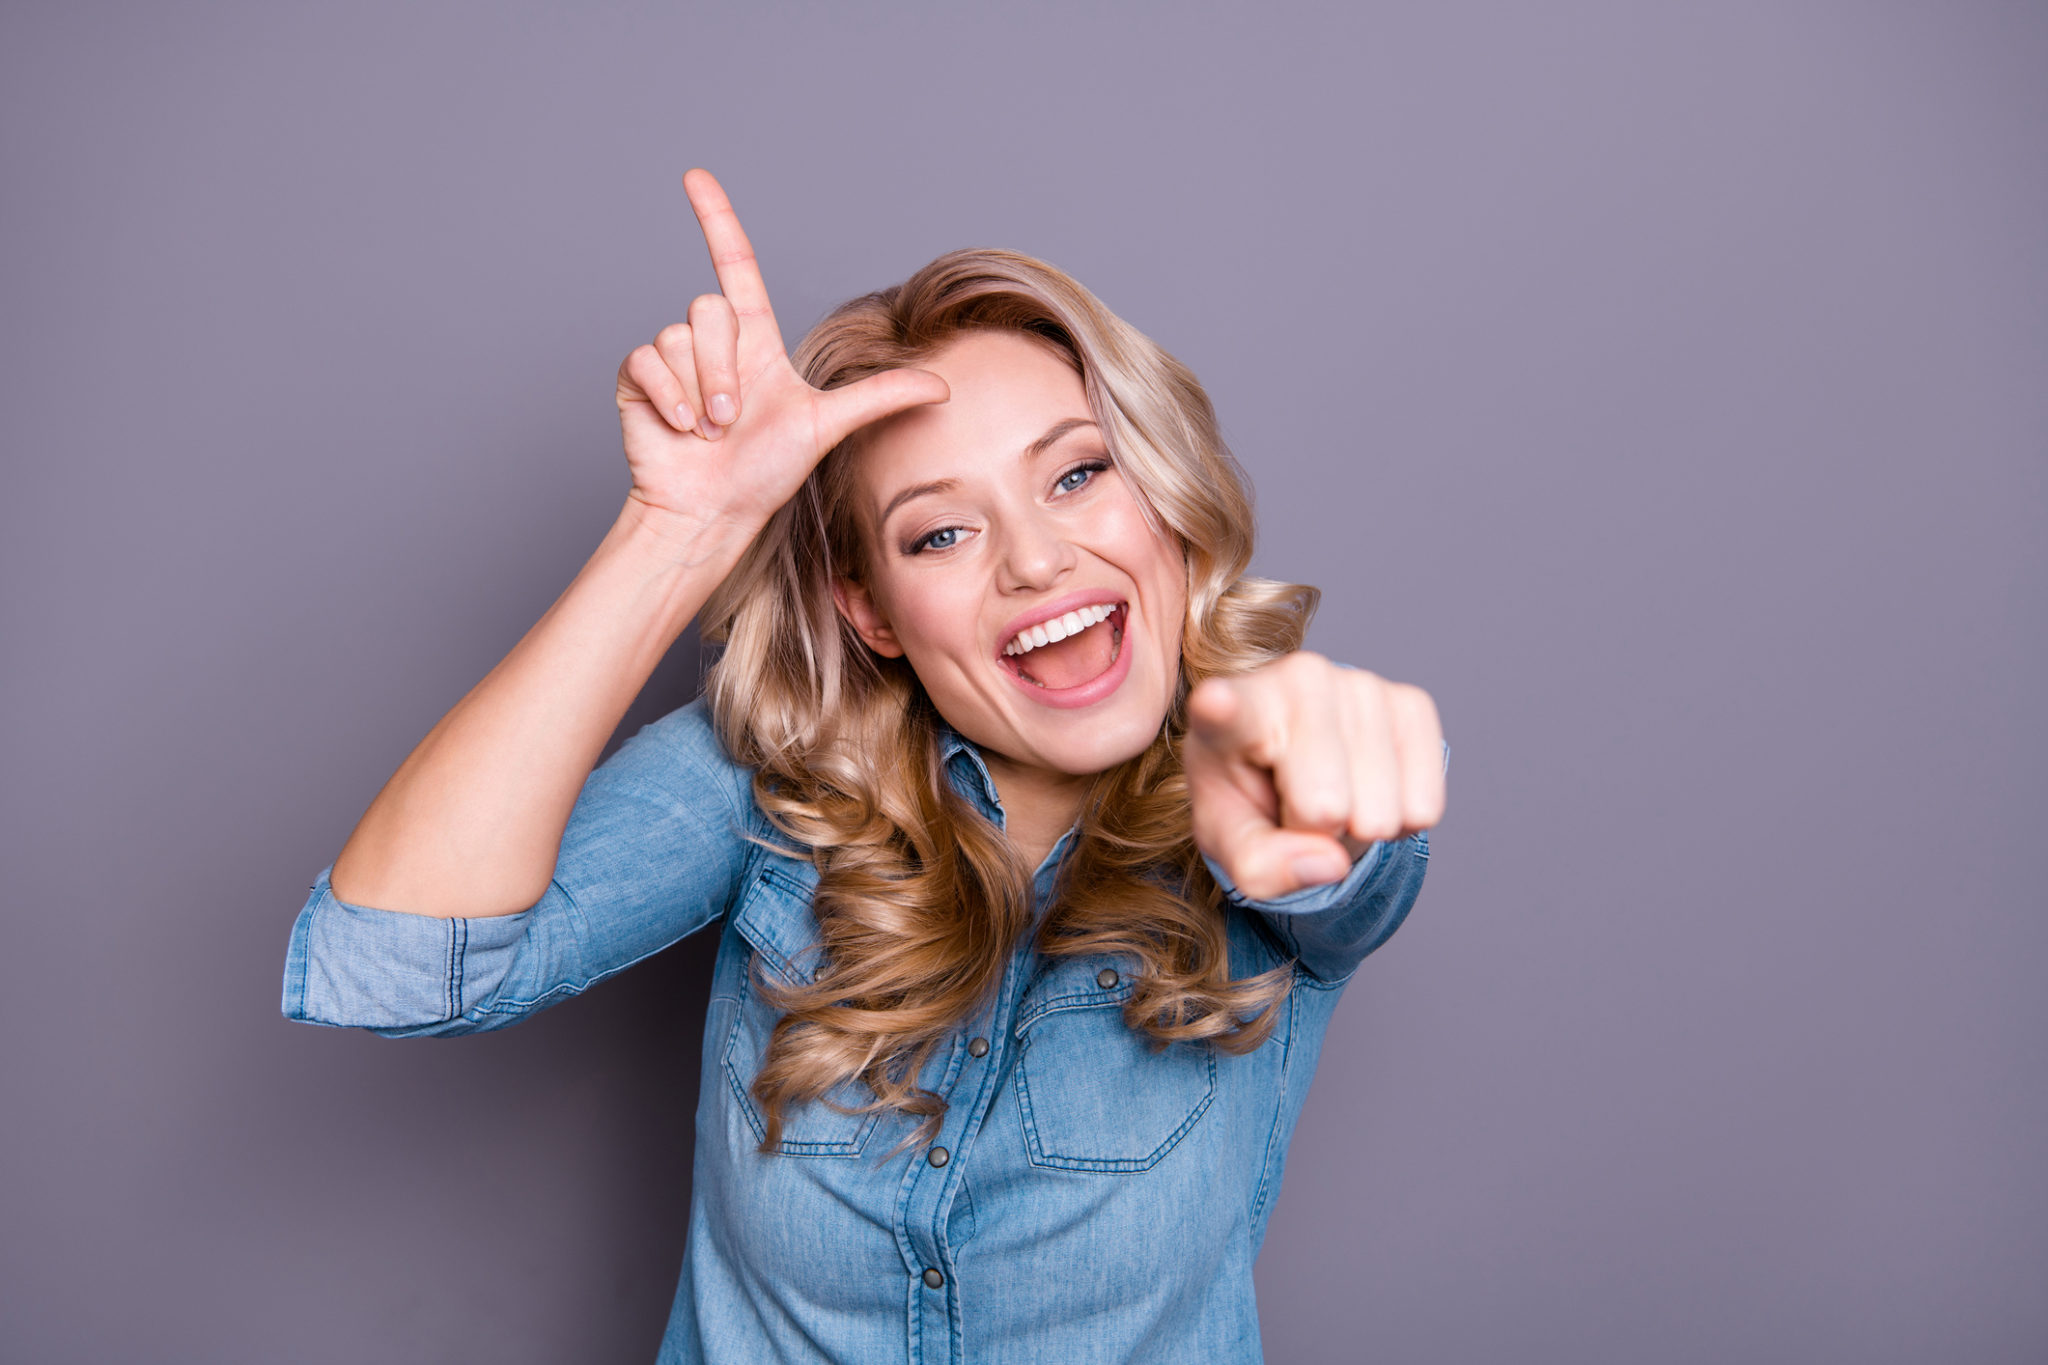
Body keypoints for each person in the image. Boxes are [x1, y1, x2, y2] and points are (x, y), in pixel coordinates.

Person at [280, 168, 1449, 1365]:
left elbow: (1344, 854)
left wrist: (1320, 820)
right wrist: (675, 536)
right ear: (871, 613)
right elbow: (393, 967)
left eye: (1077, 472)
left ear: (1163, 494)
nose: (1035, 561)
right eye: (940, 532)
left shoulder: (1269, 780)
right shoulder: (765, 786)